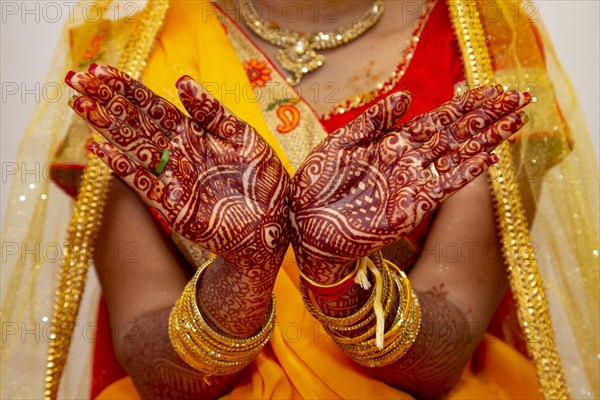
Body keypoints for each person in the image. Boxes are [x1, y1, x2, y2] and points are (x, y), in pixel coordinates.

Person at [1, 1, 597, 399]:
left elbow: (446, 352)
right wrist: (242, 275)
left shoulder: (484, 48)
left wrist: (336, 279)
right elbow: (150, 360)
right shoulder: (125, 62)